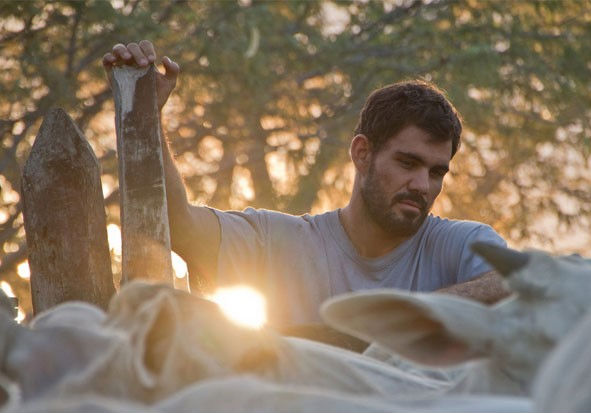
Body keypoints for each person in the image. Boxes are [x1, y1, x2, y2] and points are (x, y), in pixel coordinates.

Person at [103, 40, 509, 327]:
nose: (422, 184)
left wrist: (401, 323)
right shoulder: (283, 241)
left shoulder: (459, 245)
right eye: (407, 162)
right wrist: (148, 116)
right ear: (362, 153)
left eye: (437, 172)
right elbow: (179, 225)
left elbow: (517, 284)